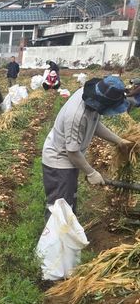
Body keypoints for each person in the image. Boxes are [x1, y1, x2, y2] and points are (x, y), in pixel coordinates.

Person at [41, 76, 132, 221]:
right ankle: (53, 240)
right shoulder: (76, 116)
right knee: (59, 207)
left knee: (68, 199)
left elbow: (94, 124)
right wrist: (91, 172)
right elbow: (72, 152)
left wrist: (118, 140)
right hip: (60, 161)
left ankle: (68, 232)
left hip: (70, 159)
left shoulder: (92, 98)